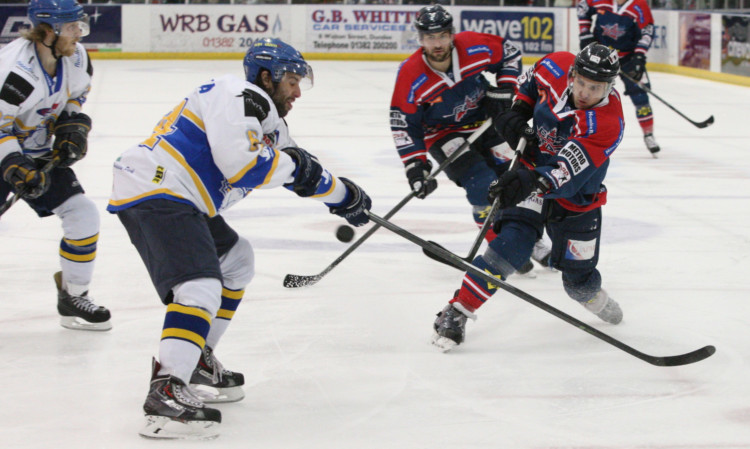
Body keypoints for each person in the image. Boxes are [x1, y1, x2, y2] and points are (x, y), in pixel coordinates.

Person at [107, 38, 372, 439]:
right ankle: (166, 388)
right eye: (292, 81)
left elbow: (299, 168)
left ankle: (195, 358)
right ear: (267, 77)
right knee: (199, 285)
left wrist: (343, 195)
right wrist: (301, 171)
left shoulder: (266, 117)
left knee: (237, 260)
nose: (298, 91)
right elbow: (244, 166)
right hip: (158, 189)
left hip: (180, 196)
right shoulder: (239, 94)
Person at [432, 44, 625, 352]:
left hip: (576, 197)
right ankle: (457, 311)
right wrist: (520, 108)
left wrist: (528, 179)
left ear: (609, 87)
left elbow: (564, 174)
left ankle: (592, 296)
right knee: (510, 245)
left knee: (577, 281)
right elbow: (531, 80)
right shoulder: (555, 65)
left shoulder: (606, 123)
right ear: (572, 73)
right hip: (533, 170)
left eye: (596, 87)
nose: (586, 93)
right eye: (582, 83)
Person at [389, 4, 551, 275]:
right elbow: (404, 124)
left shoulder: (474, 46)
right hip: (443, 135)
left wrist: (504, 89)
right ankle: (499, 248)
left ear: (452, 34)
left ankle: (530, 240)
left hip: (485, 121)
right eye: (429, 37)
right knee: (481, 184)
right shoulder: (410, 75)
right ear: (420, 39)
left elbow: (509, 53)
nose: (437, 43)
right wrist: (415, 165)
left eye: (442, 35)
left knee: (517, 176)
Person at [0, 0, 111, 331]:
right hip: (6, 149)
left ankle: (73, 296)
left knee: (83, 215)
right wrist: (13, 164)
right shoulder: (15, 74)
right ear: (47, 32)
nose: (79, 32)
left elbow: (76, 97)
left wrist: (71, 126)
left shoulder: (76, 57)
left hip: (36, 151)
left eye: (79, 25)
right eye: (72, 27)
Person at [578, 0, 660, 156]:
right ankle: (582, 133)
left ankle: (648, 134)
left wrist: (639, 55)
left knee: (640, 96)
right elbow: (583, 7)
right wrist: (585, 34)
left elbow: (647, 31)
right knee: (590, 95)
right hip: (601, 56)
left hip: (628, 58)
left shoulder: (639, 6)